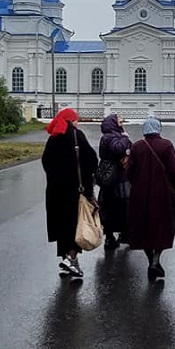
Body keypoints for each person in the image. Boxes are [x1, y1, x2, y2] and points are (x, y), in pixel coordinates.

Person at [41, 108, 98, 278]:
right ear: (71, 120)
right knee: (75, 225)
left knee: (61, 225)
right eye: (76, 119)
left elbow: (46, 162)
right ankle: (71, 259)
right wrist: (89, 184)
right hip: (74, 191)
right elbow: (91, 159)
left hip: (55, 191)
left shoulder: (53, 138)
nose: (77, 122)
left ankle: (67, 259)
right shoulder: (76, 135)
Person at [127, 117, 175, 281]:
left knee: (144, 228)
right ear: (158, 129)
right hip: (163, 194)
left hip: (140, 194)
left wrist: (137, 184)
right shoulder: (166, 145)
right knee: (162, 227)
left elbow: (129, 172)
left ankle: (151, 260)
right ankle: (156, 260)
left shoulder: (137, 146)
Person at [98, 114, 132, 249]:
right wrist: (125, 138)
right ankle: (121, 234)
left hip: (108, 176)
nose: (122, 121)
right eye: (119, 120)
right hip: (117, 177)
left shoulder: (107, 136)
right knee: (122, 206)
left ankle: (112, 235)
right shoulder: (112, 137)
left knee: (109, 206)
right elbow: (118, 149)